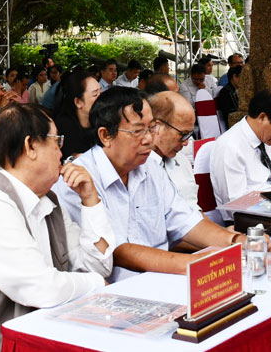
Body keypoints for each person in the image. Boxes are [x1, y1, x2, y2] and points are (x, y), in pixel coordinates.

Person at [0, 102, 113, 352]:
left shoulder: (47, 201)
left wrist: (90, 200)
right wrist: (97, 285)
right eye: (56, 141)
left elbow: (97, 266)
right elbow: (42, 288)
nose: (62, 152)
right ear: (30, 146)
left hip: (32, 339)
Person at [53, 87, 248, 281]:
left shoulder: (151, 168)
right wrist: (191, 264)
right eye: (138, 131)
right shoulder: (79, 180)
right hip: (114, 291)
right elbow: (117, 250)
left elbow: (187, 221)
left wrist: (237, 241)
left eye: (150, 128)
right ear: (106, 136)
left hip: (166, 279)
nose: (148, 139)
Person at [209, 88, 271, 219]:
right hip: (249, 221)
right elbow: (235, 206)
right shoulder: (230, 146)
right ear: (262, 117)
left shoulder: (265, 139)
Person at [148, 92, 198, 209]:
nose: (186, 142)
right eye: (183, 134)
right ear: (156, 126)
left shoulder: (181, 160)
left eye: (190, 134)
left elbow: (194, 211)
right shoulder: (136, 168)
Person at [53, 70, 100, 160]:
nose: (101, 98)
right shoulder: (62, 129)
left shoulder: (103, 122)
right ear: (78, 102)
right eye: (95, 95)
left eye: (100, 92)